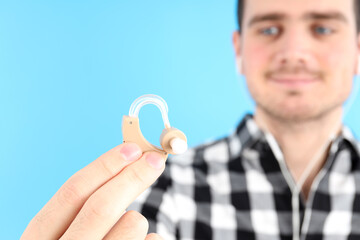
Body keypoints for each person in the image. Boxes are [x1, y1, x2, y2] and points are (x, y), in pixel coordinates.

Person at [21, 0, 360, 239]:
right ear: (238, 49)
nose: (294, 51)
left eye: (323, 28)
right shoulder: (167, 185)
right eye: (269, 28)